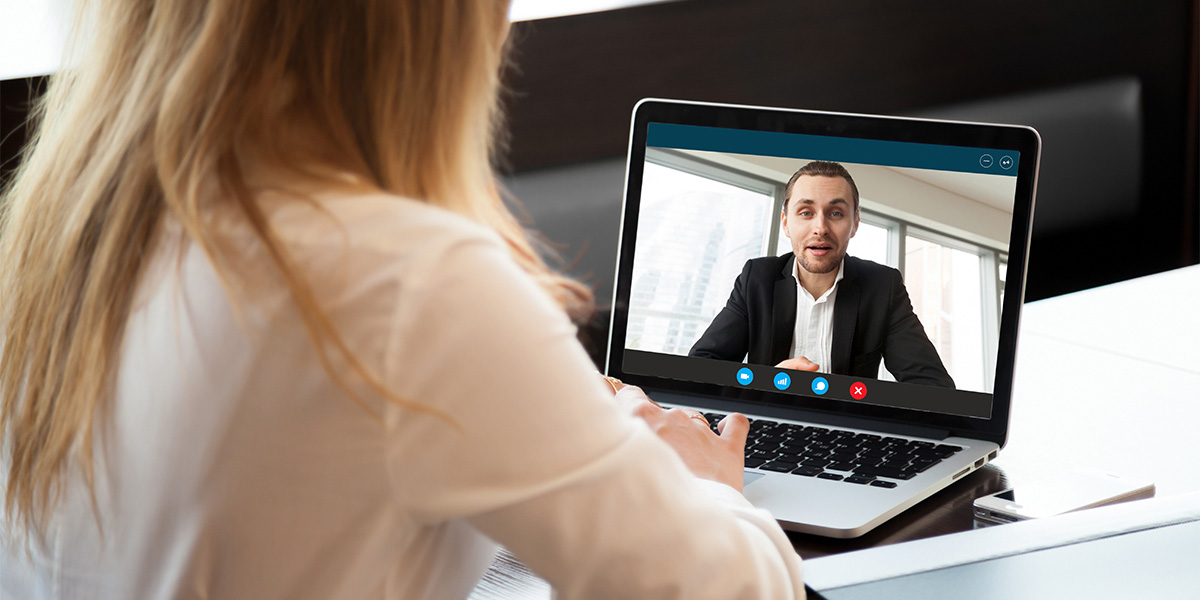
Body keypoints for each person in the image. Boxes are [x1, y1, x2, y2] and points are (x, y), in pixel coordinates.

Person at [0, 1, 804, 598]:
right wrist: (695, 486)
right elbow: (725, 590)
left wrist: (546, 435)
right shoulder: (408, 280)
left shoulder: (64, 241)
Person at [689, 161, 954, 388]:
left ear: (855, 224)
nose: (821, 228)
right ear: (786, 223)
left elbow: (934, 386)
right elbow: (701, 367)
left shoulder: (883, 286)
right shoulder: (756, 279)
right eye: (806, 213)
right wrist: (765, 383)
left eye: (836, 213)